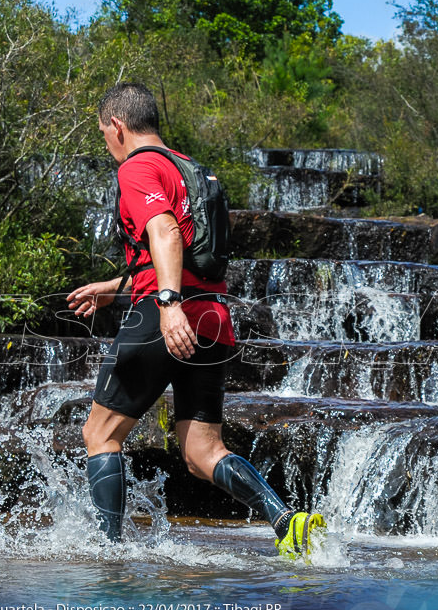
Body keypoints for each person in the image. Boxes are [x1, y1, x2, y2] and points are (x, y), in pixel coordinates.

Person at [66, 82, 325, 557]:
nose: (106, 141)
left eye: (104, 132)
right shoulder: (192, 171)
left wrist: (166, 304)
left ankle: (109, 552)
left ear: (118, 127)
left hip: (170, 314)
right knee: (203, 452)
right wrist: (114, 289)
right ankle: (286, 519)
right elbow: (187, 252)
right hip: (211, 317)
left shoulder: (137, 167)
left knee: (99, 434)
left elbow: (164, 231)